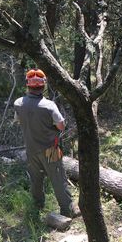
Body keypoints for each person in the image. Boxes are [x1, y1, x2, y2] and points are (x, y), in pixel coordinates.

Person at [14, 68, 80, 218]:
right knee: (58, 179)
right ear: (43, 86)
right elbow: (61, 125)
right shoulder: (49, 105)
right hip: (51, 148)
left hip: (30, 149)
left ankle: (38, 204)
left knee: (36, 179)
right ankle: (68, 209)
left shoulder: (18, 103)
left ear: (28, 85)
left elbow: (18, 120)